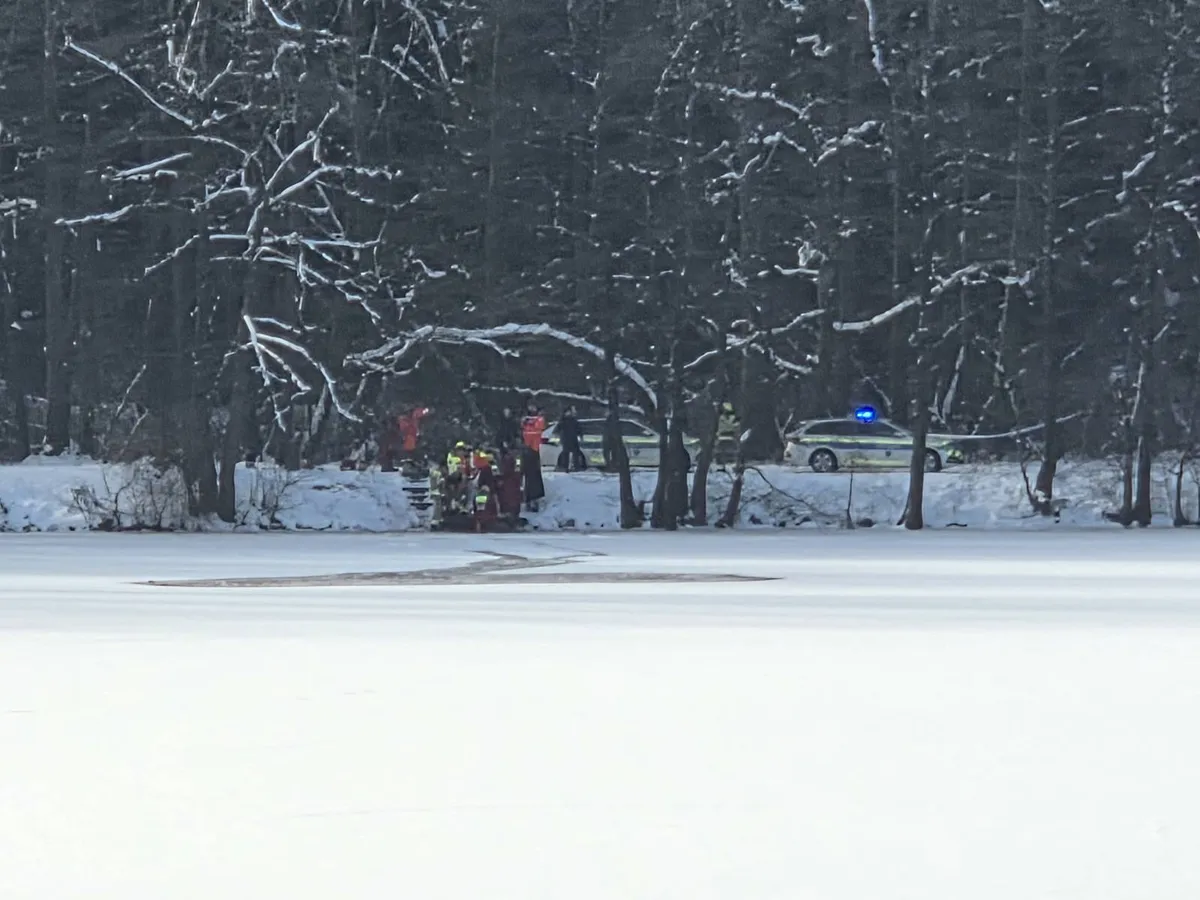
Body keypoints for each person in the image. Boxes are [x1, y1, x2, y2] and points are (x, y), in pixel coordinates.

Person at [521, 401, 546, 511]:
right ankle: (528, 499)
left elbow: (536, 429)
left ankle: (534, 499)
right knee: (527, 476)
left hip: (534, 450)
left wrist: (528, 423)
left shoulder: (539, 419)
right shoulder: (525, 419)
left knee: (534, 475)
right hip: (526, 450)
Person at [555, 405, 587, 472]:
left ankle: (576, 467)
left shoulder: (574, 420)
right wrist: (558, 437)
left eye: (570, 412)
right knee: (565, 454)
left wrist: (581, 436)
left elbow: (579, 429)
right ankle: (565, 467)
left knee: (576, 453)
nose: (569, 413)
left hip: (573, 439)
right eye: (568, 412)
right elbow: (557, 429)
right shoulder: (562, 421)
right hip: (565, 439)